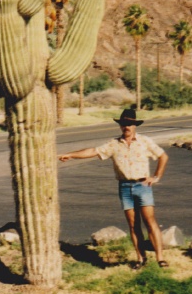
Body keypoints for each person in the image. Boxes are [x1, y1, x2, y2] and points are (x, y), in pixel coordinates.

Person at [58, 108, 169, 269]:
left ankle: (160, 258)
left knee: (150, 221)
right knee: (133, 225)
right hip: (125, 187)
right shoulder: (113, 144)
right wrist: (71, 155)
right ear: (120, 125)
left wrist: (156, 177)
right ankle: (141, 258)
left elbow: (163, 156)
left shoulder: (145, 141)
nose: (126, 127)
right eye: (124, 124)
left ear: (135, 125)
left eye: (129, 124)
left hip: (142, 185)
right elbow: (94, 151)